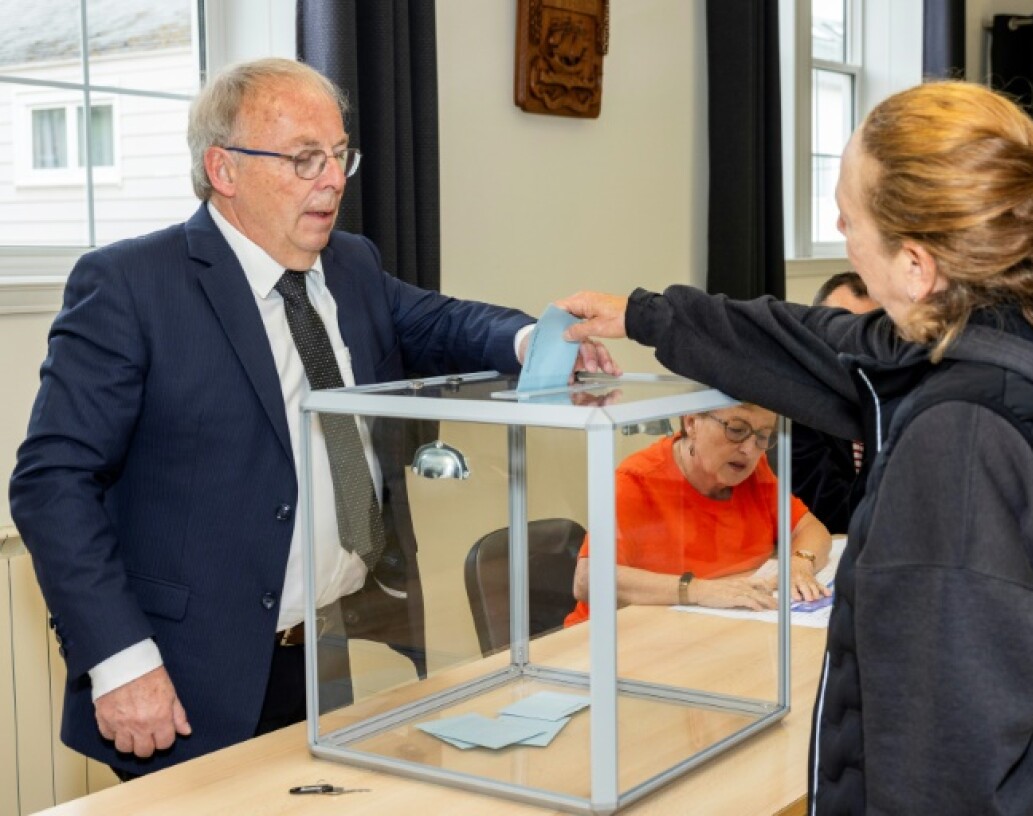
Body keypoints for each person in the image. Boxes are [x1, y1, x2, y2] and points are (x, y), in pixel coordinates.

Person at [556, 81, 1033, 813]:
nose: (840, 230)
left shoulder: (959, 444)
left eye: (848, 214)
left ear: (915, 265)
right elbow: (822, 343)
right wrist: (648, 316)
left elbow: (945, 763)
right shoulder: (1006, 342)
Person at [7, 57, 616, 778]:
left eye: (338, 155)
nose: (332, 180)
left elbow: (445, 322)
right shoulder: (132, 285)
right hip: (186, 673)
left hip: (335, 650)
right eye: (304, 160)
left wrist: (540, 343)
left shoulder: (350, 264)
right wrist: (119, 660)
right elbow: (52, 483)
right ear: (224, 169)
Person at [563, 404, 833, 626]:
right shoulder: (636, 480)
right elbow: (588, 580)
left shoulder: (754, 471)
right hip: (611, 643)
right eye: (736, 430)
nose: (750, 450)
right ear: (691, 423)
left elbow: (810, 528)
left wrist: (800, 563)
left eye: (763, 436)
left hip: (705, 632)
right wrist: (698, 591)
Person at [791, 272, 878, 533]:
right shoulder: (799, 407)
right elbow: (827, 511)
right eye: (843, 330)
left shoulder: (896, 396)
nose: (857, 346)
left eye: (870, 333)